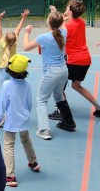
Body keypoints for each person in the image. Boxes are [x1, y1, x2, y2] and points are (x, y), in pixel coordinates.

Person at [47, 0, 100, 126]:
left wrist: (54, 16)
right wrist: (56, 13)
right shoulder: (81, 22)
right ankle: (99, 108)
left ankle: (61, 111)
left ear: (70, 11)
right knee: (76, 86)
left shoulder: (67, 26)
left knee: (58, 88)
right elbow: (64, 21)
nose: (65, 8)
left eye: (67, 8)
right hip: (85, 59)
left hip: (73, 60)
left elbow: (56, 28)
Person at [0, 54, 41, 186]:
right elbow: (29, 103)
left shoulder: (7, 85)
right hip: (23, 119)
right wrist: (25, 115)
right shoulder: (28, 85)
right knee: (26, 140)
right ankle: (33, 162)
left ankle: (10, 176)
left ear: (10, 69)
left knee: (9, 145)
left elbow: (2, 104)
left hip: (11, 121)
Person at [22, 11, 68, 140]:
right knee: (59, 96)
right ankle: (69, 122)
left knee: (41, 100)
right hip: (63, 70)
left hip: (51, 72)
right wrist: (57, 15)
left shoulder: (43, 37)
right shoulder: (64, 32)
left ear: (48, 22)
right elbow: (62, 24)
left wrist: (27, 33)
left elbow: (26, 47)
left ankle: (44, 130)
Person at [0, 9, 29, 82]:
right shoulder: (15, 42)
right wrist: (23, 18)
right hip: (13, 68)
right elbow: (18, 29)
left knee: (5, 85)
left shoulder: (2, 43)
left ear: (5, 38)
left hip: (3, 67)